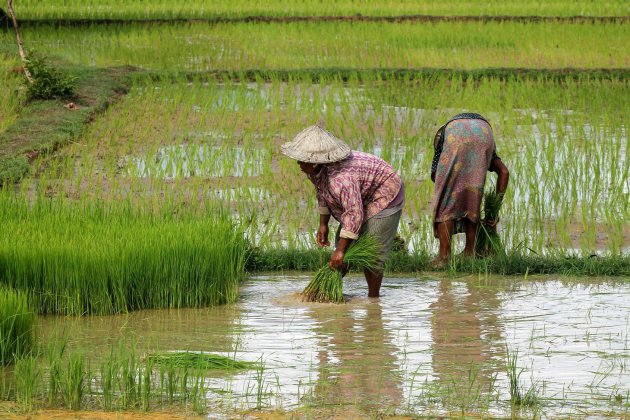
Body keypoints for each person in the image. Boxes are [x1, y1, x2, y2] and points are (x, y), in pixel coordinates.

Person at [281, 124, 404, 297]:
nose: (299, 163)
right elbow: (322, 191)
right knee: (342, 249)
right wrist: (323, 224)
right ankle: (326, 291)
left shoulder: (341, 179)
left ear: (316, 162)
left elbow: (354, 213)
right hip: (362, 192)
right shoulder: (316, 170)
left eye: (302, 160)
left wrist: (340, 250)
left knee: (371, 253)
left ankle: (373, 301)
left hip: (384, 193)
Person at [430, 113, 509, 268]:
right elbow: (504, 172)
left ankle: (444, 256)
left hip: (455, 133)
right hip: (484, 132)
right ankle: (469, 253)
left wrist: (451, 194)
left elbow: (435, 176)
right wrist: (494, 210)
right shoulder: (490, 151)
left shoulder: (442, 141)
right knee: (472, 198)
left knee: (444, 204)